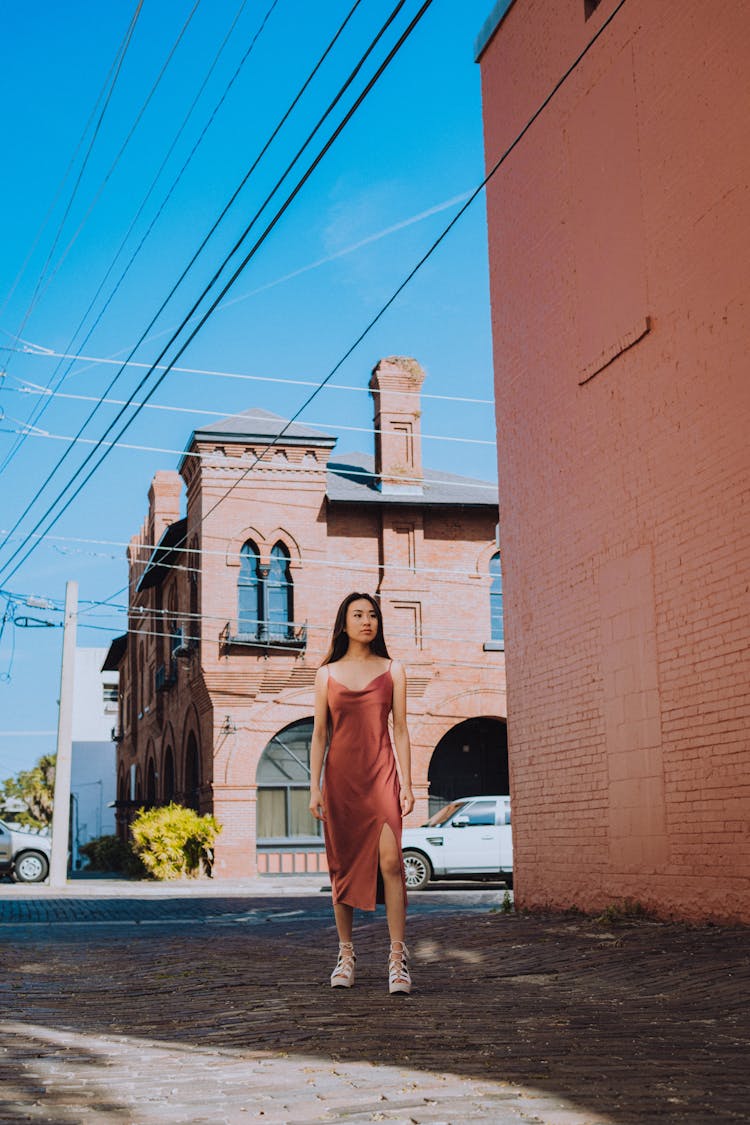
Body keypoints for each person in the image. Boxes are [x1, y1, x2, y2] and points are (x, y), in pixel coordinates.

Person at [309, 592, 415, 995]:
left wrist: (407, 783)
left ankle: (398, 959)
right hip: (340, 781)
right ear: (344, 623)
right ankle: (346, 954)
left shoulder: (394, 670)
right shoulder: (326, 674)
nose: (367, 621)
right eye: (358, 614)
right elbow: (320, 734)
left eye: (372, 615)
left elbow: (401, 729)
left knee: (391, 864)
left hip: (382, 777)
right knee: (343, 867)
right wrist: (313, 787)